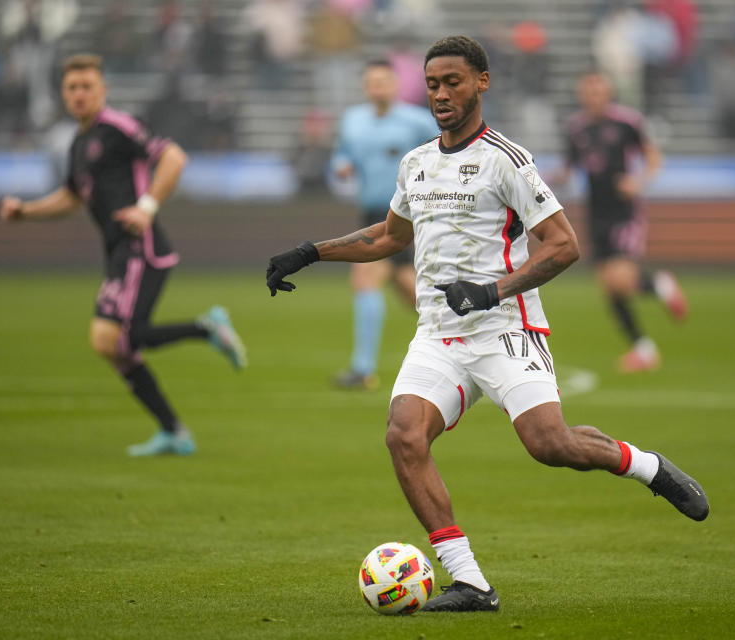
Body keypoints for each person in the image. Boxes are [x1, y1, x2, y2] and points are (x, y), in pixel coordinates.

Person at [266, 36, 708, 612]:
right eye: (432, 85)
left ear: (482, 82)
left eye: (453, 82)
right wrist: (309, 252)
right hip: (438, 335)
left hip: (505, 328)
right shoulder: (417, 163)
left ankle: (646, 466)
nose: (441, 94)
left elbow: (563, 246)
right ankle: (471, 582)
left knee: (551, 446)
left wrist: (490, 290)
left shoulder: (507, 159)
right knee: (403, 435)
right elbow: (389, 237)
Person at [0, 54, 247, 456]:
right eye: (72, 88)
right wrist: (26, 212)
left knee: (122, 339)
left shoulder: (117, 127)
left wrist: (147, 206)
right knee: (107, 342)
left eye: (87, 87)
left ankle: (206, 332)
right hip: (118, 251)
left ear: (103, 90)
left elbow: (173, 157)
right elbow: (72, 196)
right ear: (64, 94)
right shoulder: (79, 143)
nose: (79, 95)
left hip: (140, 248)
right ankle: (173, 431)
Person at [561, 71, 687, 373]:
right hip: (595, 212)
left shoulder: (627, 122)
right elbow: (570, 169)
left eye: (599, 90)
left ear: (609, 93)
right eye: (589, 91)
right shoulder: (577, 128)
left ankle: (659, 284)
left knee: (622, 280)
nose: (594, 96)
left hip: (623, 211)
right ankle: (643, 349)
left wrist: (639, 181)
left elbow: (653, 157)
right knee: (609, 287)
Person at [330, 59, 440, 389]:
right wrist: (341, 165)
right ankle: (467, 335)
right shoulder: (352, 120)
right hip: (371, 212)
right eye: (372, 82)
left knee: (365, 278)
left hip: (408, 213)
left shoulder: (418, 121)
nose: (378, 87)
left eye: (384, 81)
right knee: (412, 291)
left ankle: (363, 370)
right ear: (366, 87)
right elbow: (341, 153)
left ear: (395, 85)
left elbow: (447, 150)